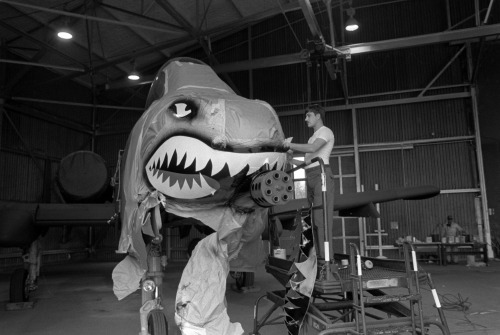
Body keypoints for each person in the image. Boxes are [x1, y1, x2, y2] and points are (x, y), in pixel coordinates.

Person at [283, 104, 334, 259]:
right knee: (312, 220)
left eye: (308, 115)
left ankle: (327, 260)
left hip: (321, 175)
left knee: (321, 220)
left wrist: (289, 144)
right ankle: (318, 258)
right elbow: (307, 163)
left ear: (318, 116)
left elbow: (312, 149)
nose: (306, 119)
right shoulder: (312, 137)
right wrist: (291, 159)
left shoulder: (325, 131)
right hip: (310, 175)